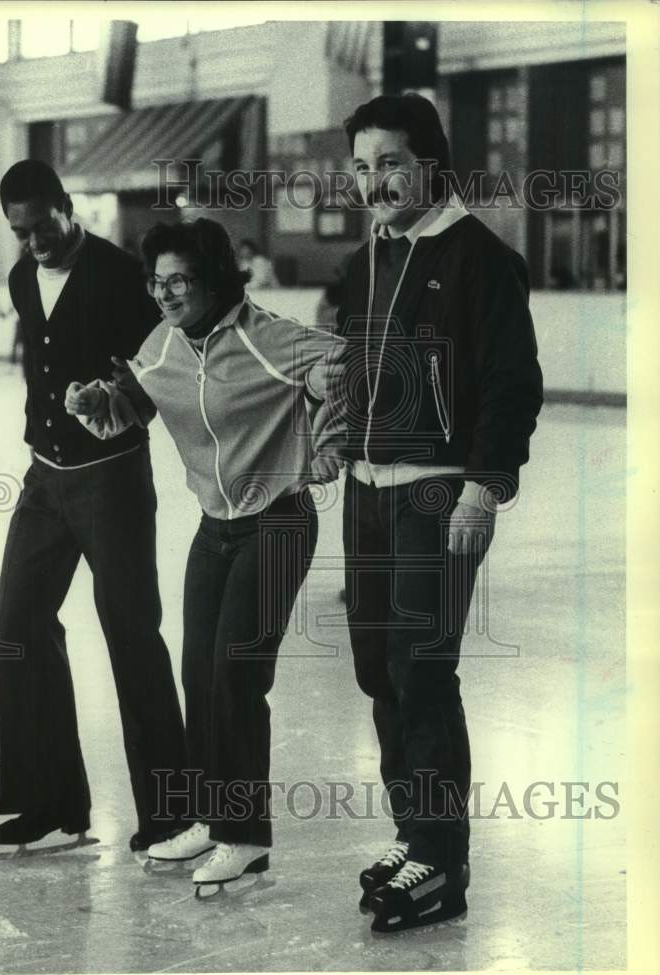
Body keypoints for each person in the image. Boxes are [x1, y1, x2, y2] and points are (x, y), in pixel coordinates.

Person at [66, 218, 344, 894]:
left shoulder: (266, 337)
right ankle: (211, 817)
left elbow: (344, 361)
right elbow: (138, 401)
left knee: (235, 678)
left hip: (277, 523)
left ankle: (245, 838)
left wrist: (328, 440)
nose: (164, 294)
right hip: (215, 527)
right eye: (156, 282)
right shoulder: (163, 343)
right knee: (199, 674)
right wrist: (98, 403)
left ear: (212, 278)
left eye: (178, 281)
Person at [337, 95, 543, 931]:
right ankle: (415, 830)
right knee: (377, 669)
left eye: (388, 162)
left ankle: (442, 861)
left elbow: (510, 383)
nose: (372, 182)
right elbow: (354, 369)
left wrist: (483, 487)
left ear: (430, 162)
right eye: (360, 166)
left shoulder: (480, 261)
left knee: (423, 670)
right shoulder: (370, 262)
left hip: (438, 491)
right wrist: (338, 439)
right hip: (368, 490)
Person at [0, 160, 187, 852]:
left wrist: (120, 402)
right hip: (44, 480)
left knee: (130, 630)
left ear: (69, 208)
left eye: (43, 226)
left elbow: (165, 368)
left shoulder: (119, 276)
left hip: (112, 479)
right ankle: (50, 801)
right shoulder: (20, 279)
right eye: (21, 232)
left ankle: (171, 810)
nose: (34, 243)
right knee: (19, 620)